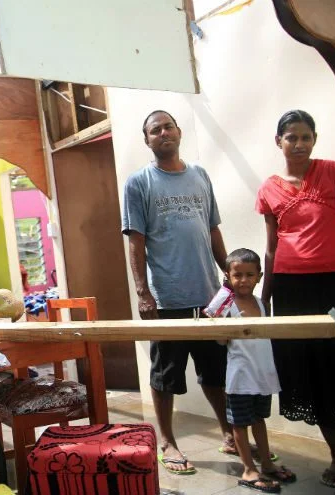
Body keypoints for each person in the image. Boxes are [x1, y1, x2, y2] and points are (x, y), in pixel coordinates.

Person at [256, 109, 335, 489]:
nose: (298, 143)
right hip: (292, 295)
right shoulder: (269, 189)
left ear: (314, 139)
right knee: (313, 376)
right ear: (278, 142)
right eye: (291, 137)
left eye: (305, 136)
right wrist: (265, 301)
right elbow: (272, 249)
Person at [121, 110, 233, 474]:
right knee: (165, 375)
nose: (163, 133)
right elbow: (135, 240)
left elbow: (212, 229)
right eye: (155, 130)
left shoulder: (200, 175)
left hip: (209, 296)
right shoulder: (139, 183)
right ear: (147, 140)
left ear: (179, 132)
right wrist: (142, 292)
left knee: (216, 371)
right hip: (167, 299)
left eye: (168, 126)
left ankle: (229, 432)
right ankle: (167, 440)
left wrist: (229, 272)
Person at [218, 249, 296, 493]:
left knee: (259, 420)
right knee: (239, 425)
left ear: (259, 276)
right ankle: (248, 468)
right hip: (240, 378)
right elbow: (217, 337)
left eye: (249, 275)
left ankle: (267, 464)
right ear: (228, 276)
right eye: (237, 275)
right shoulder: (226, 304)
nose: (243, 280)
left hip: (262, 376)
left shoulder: (263, 304)